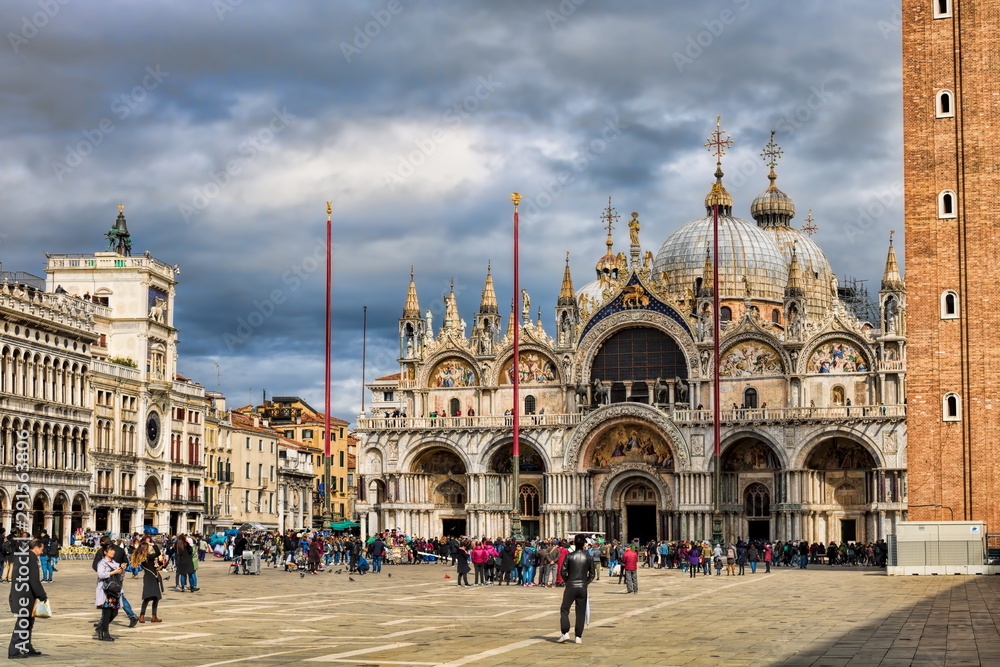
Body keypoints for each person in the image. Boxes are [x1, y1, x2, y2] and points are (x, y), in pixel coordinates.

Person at [8, 538, 47, 658]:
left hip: (20, 595)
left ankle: (26, 647)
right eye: (41, 548)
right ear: (36, 547)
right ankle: (14, 651)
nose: (42, 551)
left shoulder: (23, 557)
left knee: (28, 622)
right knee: (22, 623)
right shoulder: (30, 559)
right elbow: (33, 580)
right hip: (25, 596)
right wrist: (42, 595)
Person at [557, 534, 595, 645]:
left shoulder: (569, 556)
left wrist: (568, 581)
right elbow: (592, 574)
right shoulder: (589, 557)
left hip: (571, 586)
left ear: (573, 543)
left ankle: (565, 633)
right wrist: (585, 582)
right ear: (584, 544)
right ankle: (578, 636)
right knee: (580, 612)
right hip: (582, 587)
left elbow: (563, 571)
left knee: (565, 609)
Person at [95, 543, 125, 641]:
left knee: (115, 612)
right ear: (105, 552)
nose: (113, 552)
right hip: (106, 591)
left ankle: (101, 627)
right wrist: (113, 572)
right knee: (107, 612)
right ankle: (105, 633)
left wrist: (122, 570)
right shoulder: (102, 563)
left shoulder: (115, 563)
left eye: (113, 550)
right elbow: (101, 575)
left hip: (115, 591)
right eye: (110, 550)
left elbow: (120, 578)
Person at [131, 541, 163, 623]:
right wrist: (154, 545)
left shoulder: (142, 557)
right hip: (152, 576)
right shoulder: (148, 557)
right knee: (155, 597)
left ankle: (142, 616)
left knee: (147, 598)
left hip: (148, 577)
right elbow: (158, 552)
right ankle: (153, 616)